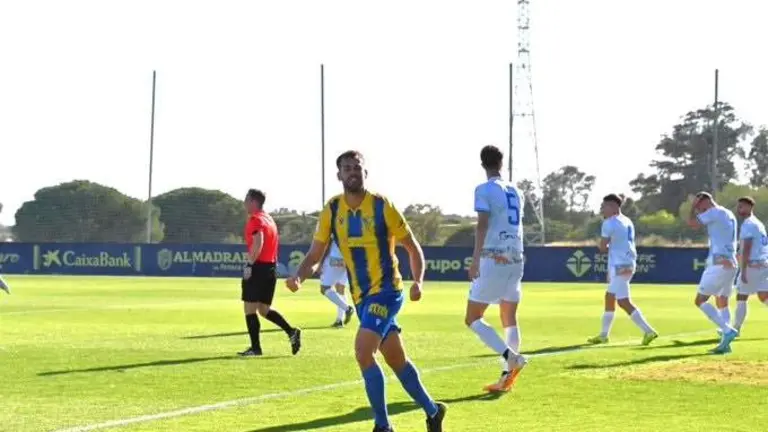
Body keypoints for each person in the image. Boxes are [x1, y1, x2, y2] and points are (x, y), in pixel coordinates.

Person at [286, 150, 446, 432]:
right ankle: (433, 412)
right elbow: (314, 253)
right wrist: (299, 276)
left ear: (365, 173)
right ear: (339, 175)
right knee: (396, 359)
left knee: (363, 352)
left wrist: (418, 281)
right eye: (347, 168)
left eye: (357, 167)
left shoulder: (382, 206)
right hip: (361, 297)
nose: (352, 172)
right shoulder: (332, 209)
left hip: (387, 291)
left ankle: (383, 426)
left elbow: (412, 247)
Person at [465, 145, 528, 394]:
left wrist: (475, 259)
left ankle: (511, 358)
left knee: (472, 317)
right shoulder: (517, 191)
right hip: (516, 257)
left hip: (494, 258)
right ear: (502, 163)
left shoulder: (483, 189)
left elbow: (482, 225)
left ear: (483, 164)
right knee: (509, 317)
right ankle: (507, 377)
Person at [587, 194, 658, 346]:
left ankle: (606, 335)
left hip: (620, 264)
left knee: (612, 297)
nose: (602, 209)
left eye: (604, 206)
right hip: (628, 262)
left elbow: (603, 247)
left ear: (613, 206)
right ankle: (646, 331)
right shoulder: (627, 220)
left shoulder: (609, 223)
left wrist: (605, 246)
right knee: (622, 301)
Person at [239, 189, 301, 357]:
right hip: (271, 268)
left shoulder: (256, 220)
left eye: (246, 200)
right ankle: (291, 331)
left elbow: (258, 242)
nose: (244, 203)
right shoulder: (269, 219)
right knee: (264, 309)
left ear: (254, 202)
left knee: (250, 309)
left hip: (258, 267)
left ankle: (255, 348)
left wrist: (249, 264)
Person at [686, 192, 739, 353]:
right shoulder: (727, 213)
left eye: (699, 205)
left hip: (719, 262)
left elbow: (692, 223)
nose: (698, 209)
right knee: (722, 299)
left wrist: (692, 207)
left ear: (706, 201)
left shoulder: (714, 212)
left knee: (700, 300)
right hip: (731, 262)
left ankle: (727, 330)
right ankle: (725, 343)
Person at [732, 196, 768, 332]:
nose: (738, 209)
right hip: (763, 265)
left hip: (753, 266)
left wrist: (743, 270)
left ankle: (735, 329)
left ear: (750, 207)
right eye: (738, 206)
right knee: (763, 296)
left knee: (742, 296)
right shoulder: (758, 223)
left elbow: (747, 248)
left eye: (741, 206)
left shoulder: (748, 224)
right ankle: (735, 328)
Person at [319, 239, 355, 327]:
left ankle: (347, 309)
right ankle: (339, 320)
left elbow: (326, 243)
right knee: (340, 288)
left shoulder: (333, 228)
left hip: (335, 258)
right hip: (349, 259)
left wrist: (320, 261)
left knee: (324, 289)